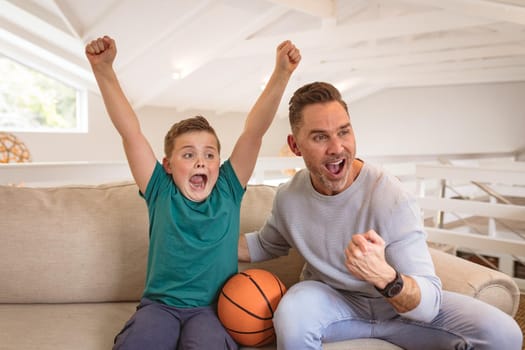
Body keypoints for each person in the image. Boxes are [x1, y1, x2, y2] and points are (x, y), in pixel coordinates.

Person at [238, 82, 523, 350]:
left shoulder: (390, 197)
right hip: (333, 303)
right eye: (320, 137)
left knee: (504, 333)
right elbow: (265, 244)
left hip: (400, 312)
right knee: (292, 313)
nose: (337, 147)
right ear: (295, 145)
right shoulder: (290, 196)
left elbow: (428, 305)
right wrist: (201, 241)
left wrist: (387, 278)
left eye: (343, 132)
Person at [85, 35, 300, 350]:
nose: (201, 160)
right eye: (188, 154)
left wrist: (281, 73)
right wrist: (104, 70)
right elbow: (130, 131)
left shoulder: (227, 189)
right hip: (159, 307)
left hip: (212, 310)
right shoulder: (160, 190)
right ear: (167, 165)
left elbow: (254, 131)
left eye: (210, 154)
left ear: (218, 163)